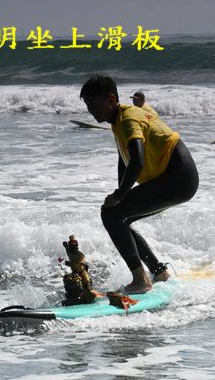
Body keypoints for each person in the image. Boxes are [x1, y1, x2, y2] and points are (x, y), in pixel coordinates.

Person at [80, 75, 199, 294]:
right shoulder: (119, 118)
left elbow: (137, 160)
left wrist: (120, 195)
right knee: (119, 216)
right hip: (178, 177)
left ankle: (141, 280)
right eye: (88, 106)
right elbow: (124, 159)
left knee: (111, 214)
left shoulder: (127, 119)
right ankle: (159, 272)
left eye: (94, 105)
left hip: (178, 176)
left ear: (111, 99)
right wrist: (121, 196)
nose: (91, 111)